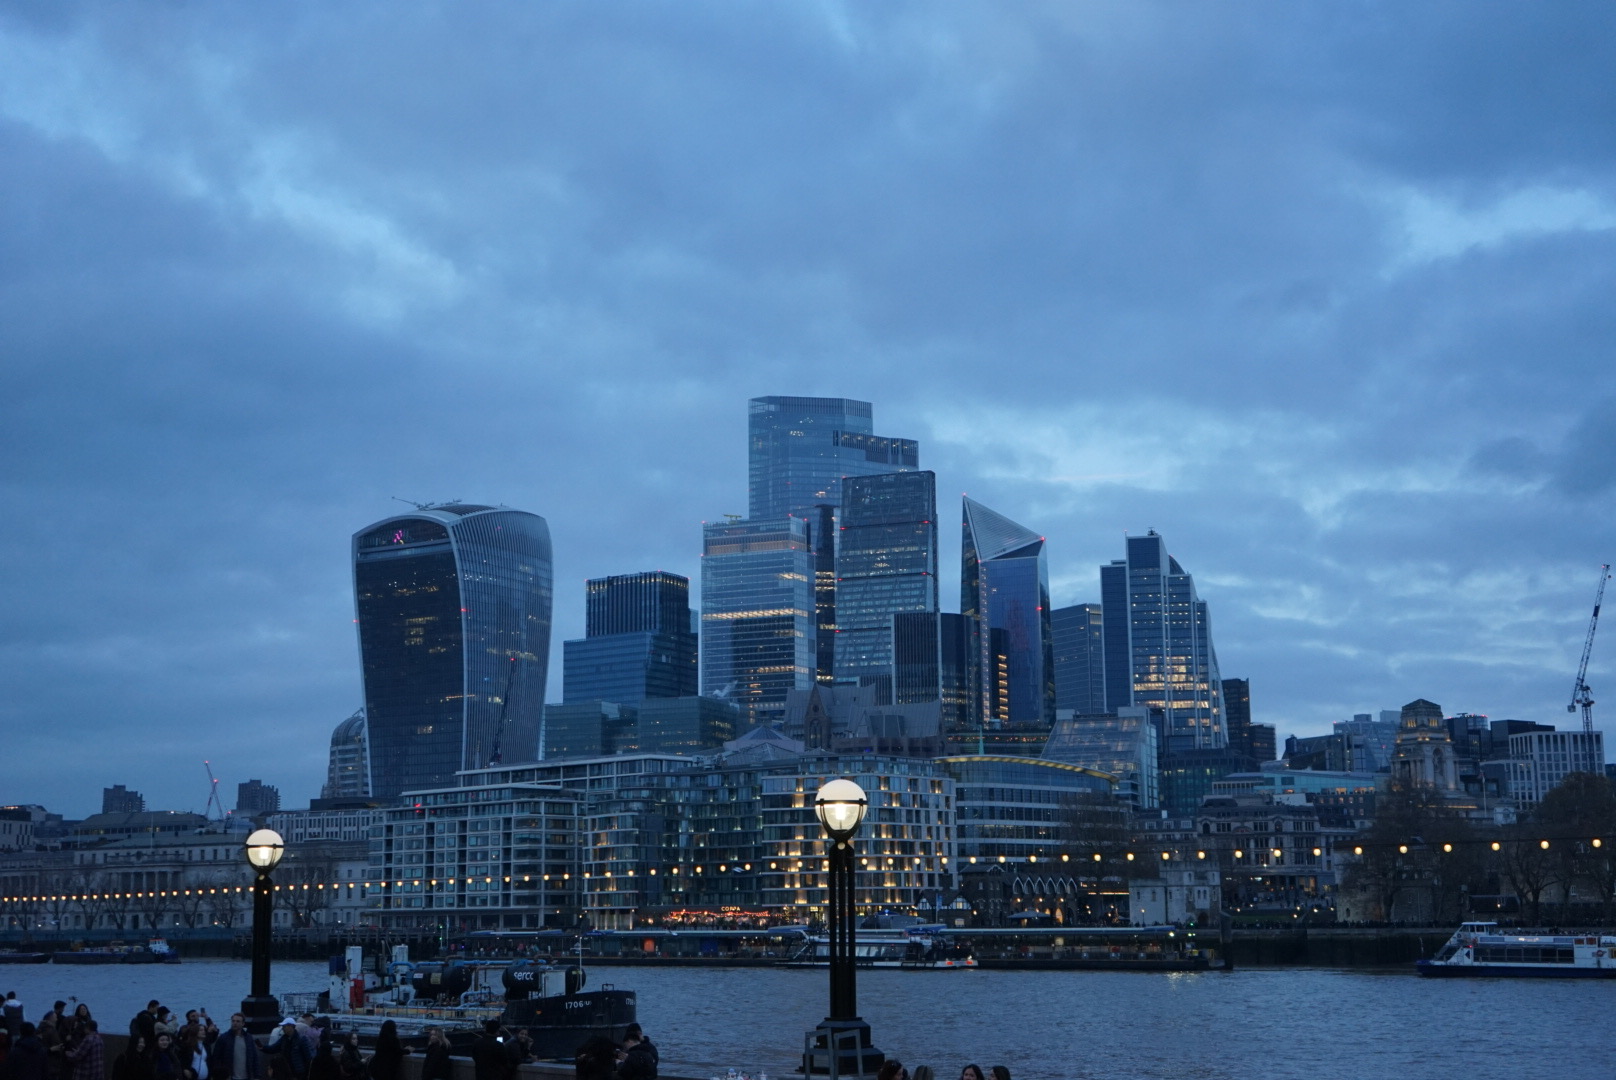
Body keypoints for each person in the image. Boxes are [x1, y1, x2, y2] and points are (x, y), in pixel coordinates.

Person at [208, 1014, 261, 1080]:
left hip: (247, 1076)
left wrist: (257, 1076)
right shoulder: (224, 1038)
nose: (235, 1023)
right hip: (230, 1077)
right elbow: (216, 1058)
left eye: (238, 1021)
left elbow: (255, 1058)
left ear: (243, 1023)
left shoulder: (248, 1038)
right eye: (233, 1021)